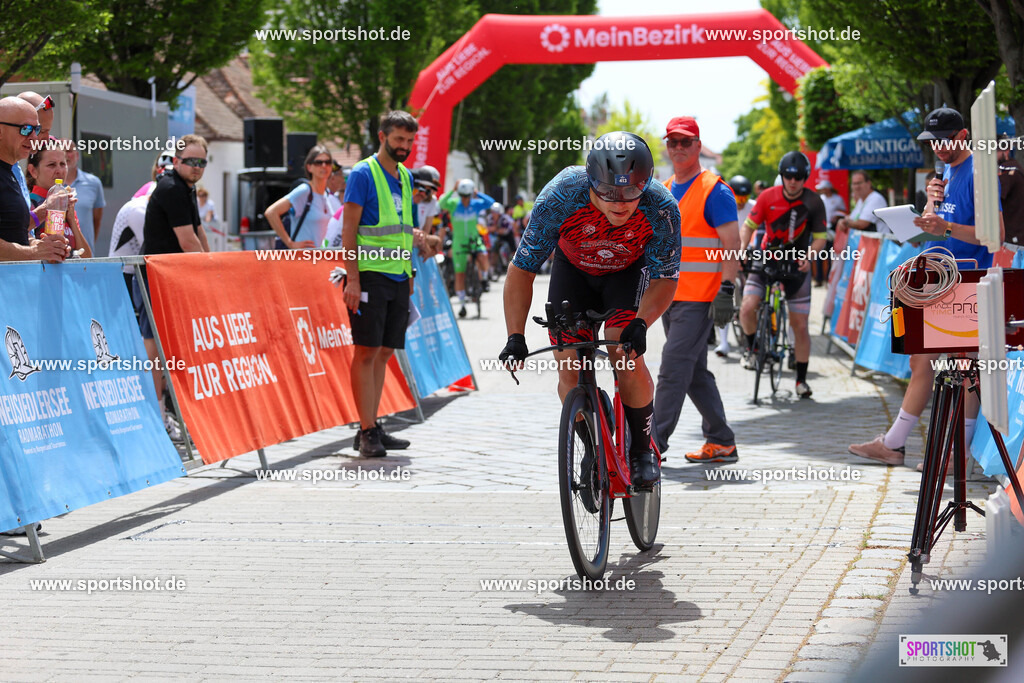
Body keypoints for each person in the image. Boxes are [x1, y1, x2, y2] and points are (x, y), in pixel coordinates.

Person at [498, 131, 682, 487]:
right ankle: (592, 447)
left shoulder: (661, 206)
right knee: (569, 367)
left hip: (628, 274)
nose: (621, 202)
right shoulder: (561, 194)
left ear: (646, 184)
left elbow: (665, 277)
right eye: (609, 192)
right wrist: (515, 335)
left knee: (622, 349)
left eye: (632, 192)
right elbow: (521, 270)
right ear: (590, 181)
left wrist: (642, 322)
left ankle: (643, 450)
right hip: (573, 272)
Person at [849, 107, 1004, 465]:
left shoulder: (979, 172)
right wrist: (929, 209)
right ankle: (895, 443)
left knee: (964, 367)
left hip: (967, 278)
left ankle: (958, 454)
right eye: (932, 141)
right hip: (936, 276)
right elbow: (938, 222)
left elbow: (993, 234)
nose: (938, 147)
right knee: (922, 361)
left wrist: (945, 228)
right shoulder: (946, 170)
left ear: (963, 135)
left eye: (945, 140)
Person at [653, 117, 740, 463]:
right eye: (672, 142)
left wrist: (727, 290)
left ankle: (650, 446)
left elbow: (732, 243)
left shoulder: (714, 190)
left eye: (685, 142)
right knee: (693, 373)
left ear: (698, 146)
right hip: (667, 298)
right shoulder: (661, 188)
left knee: (673, 368)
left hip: (700, 298)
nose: (678, 148)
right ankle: (721, 440)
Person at [341, 110, 419, 458]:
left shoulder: (406, 176)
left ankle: (372, 424)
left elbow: (404, 229)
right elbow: (349, 230)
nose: (404, 146)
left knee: (385, 353)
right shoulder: (362, 173)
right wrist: (352, 279)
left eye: (409, 141)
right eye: (399, 139)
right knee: (366, 351)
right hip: (370, 275)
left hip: (399, 275)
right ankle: (366, 429)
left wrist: (411, 272)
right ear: (382, 135)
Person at [137, 133, 211, 441]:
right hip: (158, 277)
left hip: (175, 277)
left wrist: (213, 264)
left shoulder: (187, 188)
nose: (196, 167)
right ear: (176, 161)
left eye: (202, 163)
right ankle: (157, 415)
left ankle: (176, 415)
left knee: (179, 349)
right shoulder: (170, 187)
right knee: (155, 348)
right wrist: (210, 272)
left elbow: (198, 230)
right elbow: (186, 240)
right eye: (190, 162)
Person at [739, 151, 827, 399]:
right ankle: (755, 349)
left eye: (799, 177)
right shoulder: (768, 197)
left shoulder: (814, 201)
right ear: (782, 176)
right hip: (767, 258)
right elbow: (748, 227)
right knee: (747, 308)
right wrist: (743, 249)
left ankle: (800, 380)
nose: (793, 181)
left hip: (797, 264)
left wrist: (809, 255)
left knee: (800, 325)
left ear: (805, 178)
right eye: (788, 176)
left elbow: (821, 239)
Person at [0, 97, 67, 262]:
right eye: (25, 129)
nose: (34, 138)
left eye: (36, 130)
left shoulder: (11, 172)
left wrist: (46, 248)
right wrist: (33, 253)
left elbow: (12, 234)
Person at [439, 179, 496, 316]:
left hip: (474, 239)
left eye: (467, 196)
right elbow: (441, 203)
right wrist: (453, 190)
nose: (465, 199)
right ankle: (462, 304)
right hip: (458, 242)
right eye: (462, 196)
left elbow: (490, 202)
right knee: (460, 275)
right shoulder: (453, 204)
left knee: (483, 255)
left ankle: (483, 280)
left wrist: (478, 193)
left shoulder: (475, 204)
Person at [266, 145, 341, 249]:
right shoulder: (305, 190)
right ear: (309, 167)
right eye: (318, 162)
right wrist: (290, 243)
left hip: (324, 261)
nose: (324, 165)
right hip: (303, 260)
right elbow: (271, 212)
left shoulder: (329, 196)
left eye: (328, 162)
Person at [26, 145, 92, 258]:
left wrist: (71, 219)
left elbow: (86, 257)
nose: (59, 171)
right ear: (33, 171)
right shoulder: (29, 203)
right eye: (51, 165)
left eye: (63, 164)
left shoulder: (67, 204)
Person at [714, 174, 753, 357]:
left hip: (748, 255)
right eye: (739, 198)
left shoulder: (752, 207)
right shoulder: (724, 205)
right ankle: (723, 342)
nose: (742, 202)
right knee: (726, 296)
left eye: (745, 198)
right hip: (728, 255)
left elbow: (758, 232)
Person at [65, 146, 105, 251]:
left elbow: (97, 220)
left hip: (84, 255)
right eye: (61, 151)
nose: (65, 154)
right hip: (59, 253)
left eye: (69, 151)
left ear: (77, 155)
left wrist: (87, 246)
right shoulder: (52, 186)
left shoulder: (94, 183)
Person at [813, 179, 847, 287]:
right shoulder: (820, 198)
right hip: (821, 229)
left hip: (832, 230)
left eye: (823, 188)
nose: (821, 190)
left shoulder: (837, 199)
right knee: (819, 255)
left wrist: (837, 216)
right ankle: (818, 279)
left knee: (830, 255)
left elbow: (843, 212)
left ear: (828, 189)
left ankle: (828, 279)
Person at [997, 134, 1024, 245]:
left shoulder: (1008, 171)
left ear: (1006, 150)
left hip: (1012, 240)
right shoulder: (1014, 168)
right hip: (1014, 238)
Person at [487, 201, 515, 278]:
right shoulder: (490, 218)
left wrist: (495, 229)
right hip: (496, 236)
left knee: (513, 248)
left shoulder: (504, 218)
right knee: (494, 250)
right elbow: (488, 229)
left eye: (495, 212)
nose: (493, 214)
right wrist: (495, 229)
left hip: (507, 235)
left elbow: (504, 230)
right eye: (492, 212)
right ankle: (492, 269)